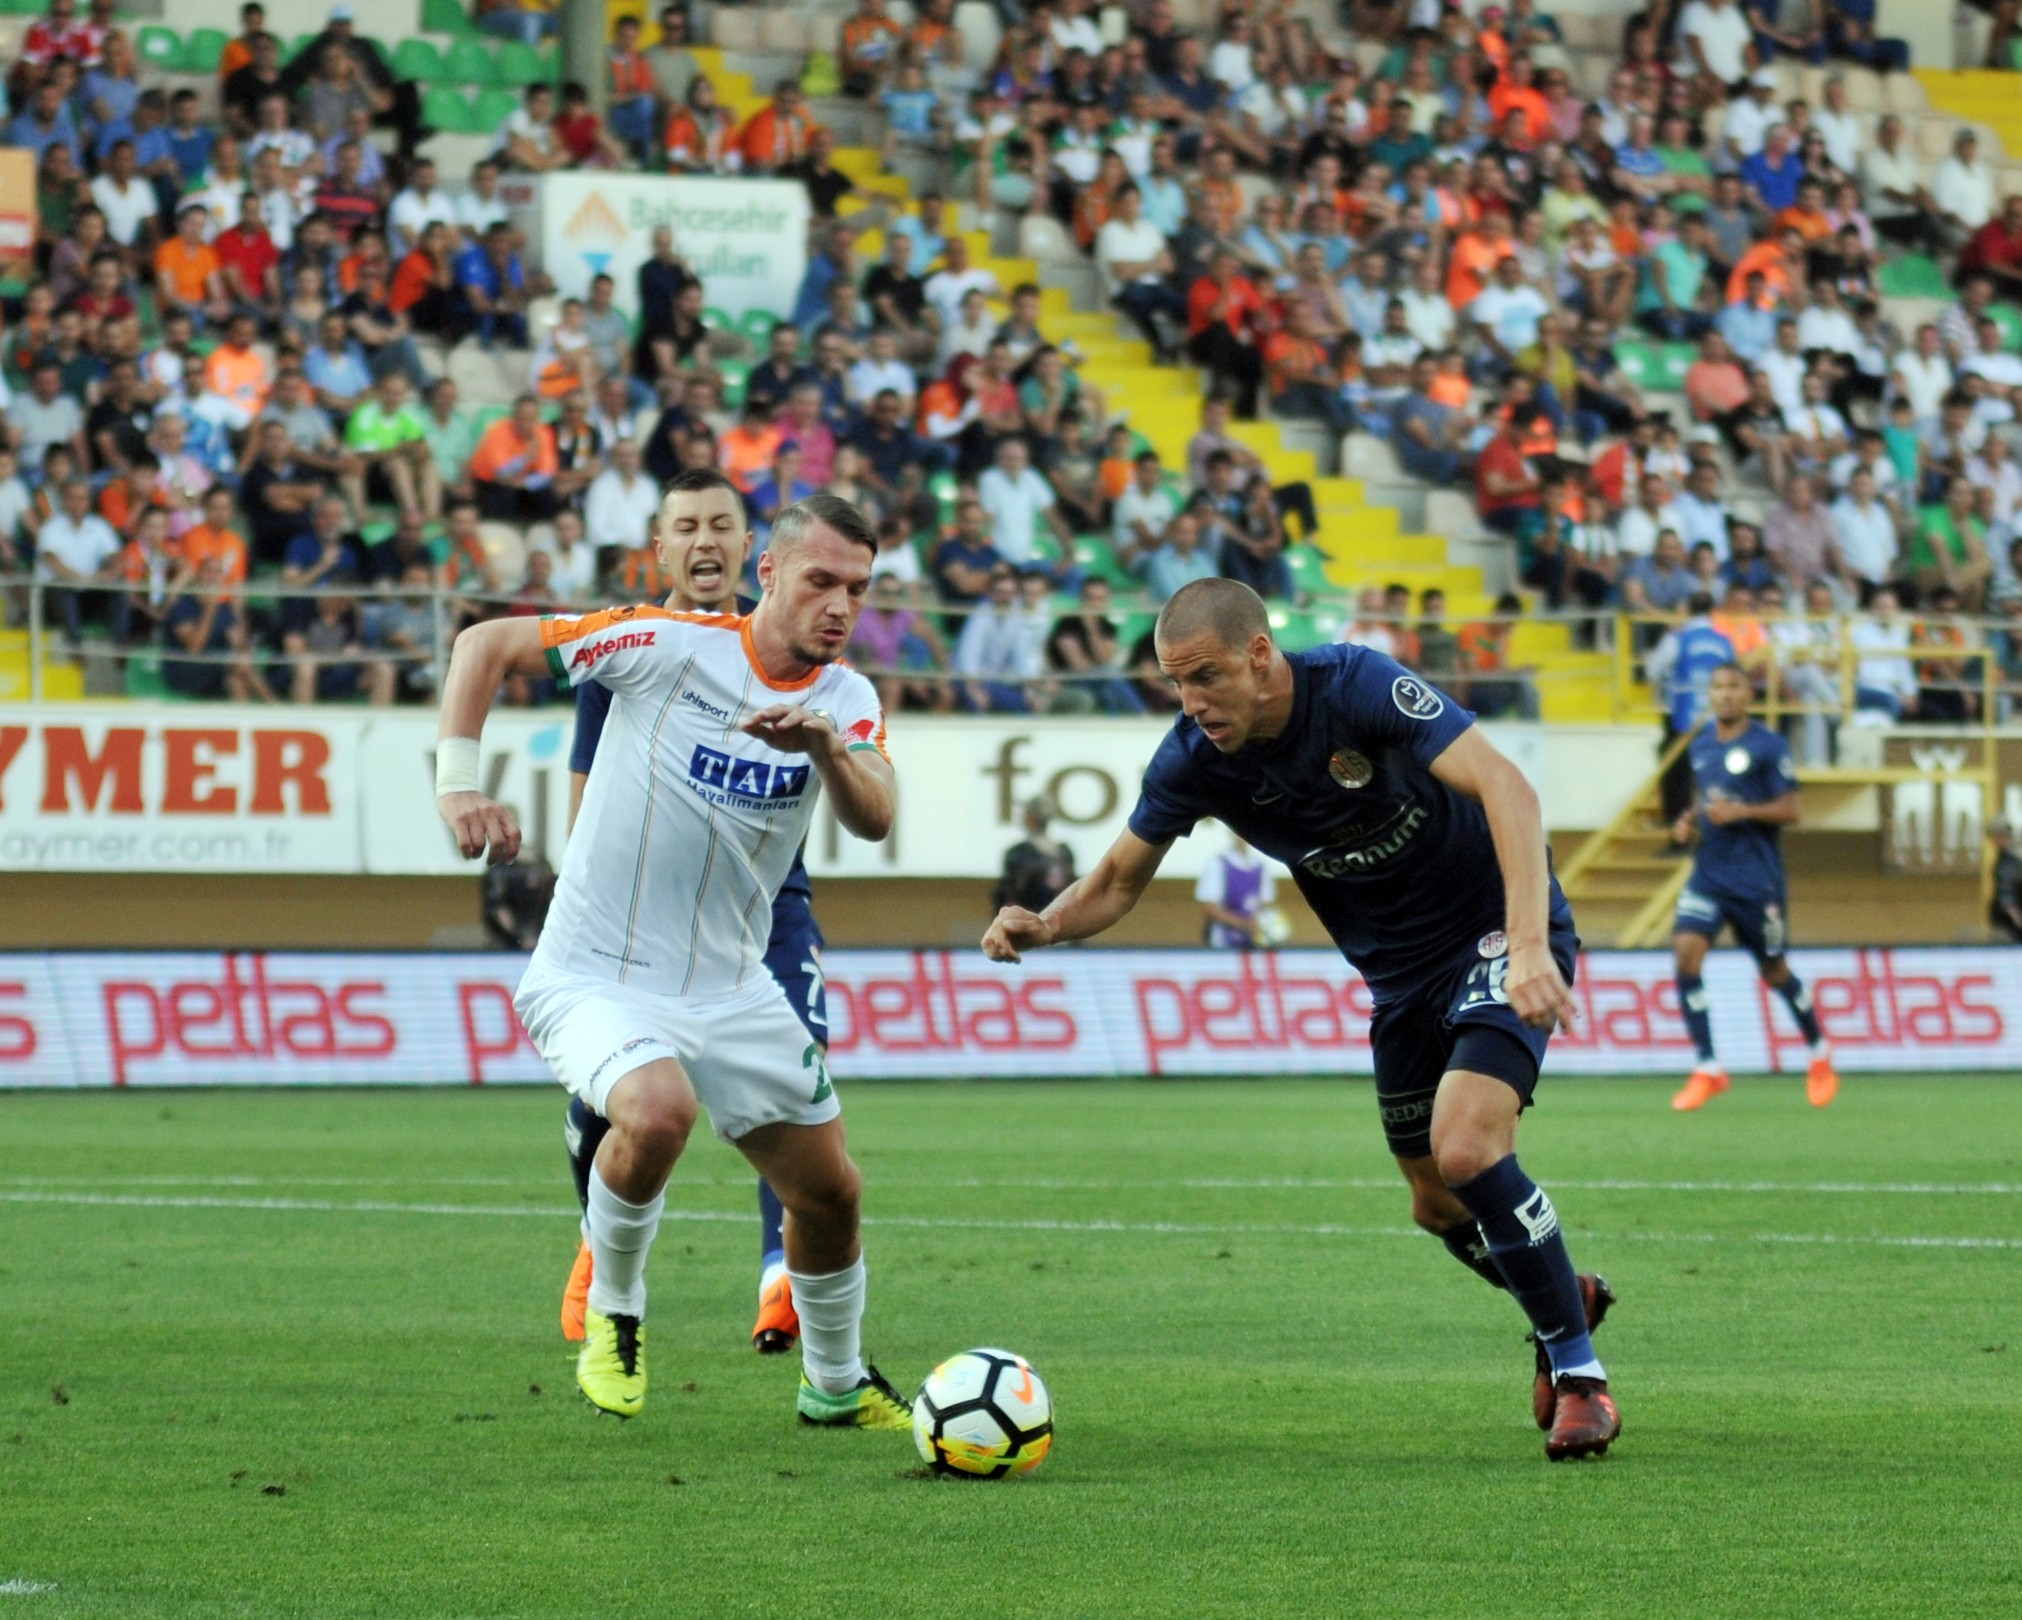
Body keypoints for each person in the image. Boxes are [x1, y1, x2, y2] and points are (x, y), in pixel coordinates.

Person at [982, 578, 1621, 1462]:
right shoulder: (1193, 759)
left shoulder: (1357, 687)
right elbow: (1119, 882)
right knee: (1436, 1206)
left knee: (1469, 1148)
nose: (1192, 701)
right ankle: (1560, 1293)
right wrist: (1047, 923)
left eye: (1204, 675)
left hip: (1492, 935)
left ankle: (1580, 1375)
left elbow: (1507, 787)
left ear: (1259, 653)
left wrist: (1527, 944)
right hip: (1399, 981)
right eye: (1175, 682)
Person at [438, 486, 906, 1428]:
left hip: (732, 987)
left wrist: (822, 747)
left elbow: (877, 813)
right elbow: (481, 645)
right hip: (594, 972)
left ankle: (837, 1383)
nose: (840, 607)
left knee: (830, 1190)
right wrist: (458, 786)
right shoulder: (661, 644)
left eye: (857, 590)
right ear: (768, 572)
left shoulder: (846, 697)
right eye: (821, 581)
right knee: (658, 1111)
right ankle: (616, 1317)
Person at [558, 467, 833, 1357]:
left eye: (724, 524)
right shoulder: (631, 647)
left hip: (768, 909)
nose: (707, 541)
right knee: (626, 1100)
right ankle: (597, 1250)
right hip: (642, 914)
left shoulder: (795, 647)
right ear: (663, 548)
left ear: (753, 551)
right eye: (688, 527)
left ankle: (778, 1274)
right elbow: (589, 784)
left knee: (793, 1082)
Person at [1668, 663, 1839, 1111]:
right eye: (1718, 687)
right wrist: (1690, 821)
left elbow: (1793, 808)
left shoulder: (1768, 745)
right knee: (1686, 954)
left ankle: (1819, 1052)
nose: (1725, 695)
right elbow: (1704, 800)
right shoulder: (1701, 745)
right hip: (1709, 874)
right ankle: (1708, 1067)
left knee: (1774, 971)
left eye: (1733, 687)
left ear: (1749, 695)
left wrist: (1742, 813)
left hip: (1756, 882)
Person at [991, 795, 1077, 915]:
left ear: (1030, 820)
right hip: (1057, 922)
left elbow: (1005, 896)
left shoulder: (1019, 854)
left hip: (1025, 922)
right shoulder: (1063, 854)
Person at [1196, 831, 1277, 947]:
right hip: (1223, 941)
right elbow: (1209, 908)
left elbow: (1266, 904)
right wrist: (1242, 924)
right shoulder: (1218, 864)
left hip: (1254, 940)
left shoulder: (1260, 866)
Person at [1991, 819, 2022, 943]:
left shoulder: (2010, 859)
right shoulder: (2006, 859)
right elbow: (2006, 894)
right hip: (2008, 918)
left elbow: (2007, 894)